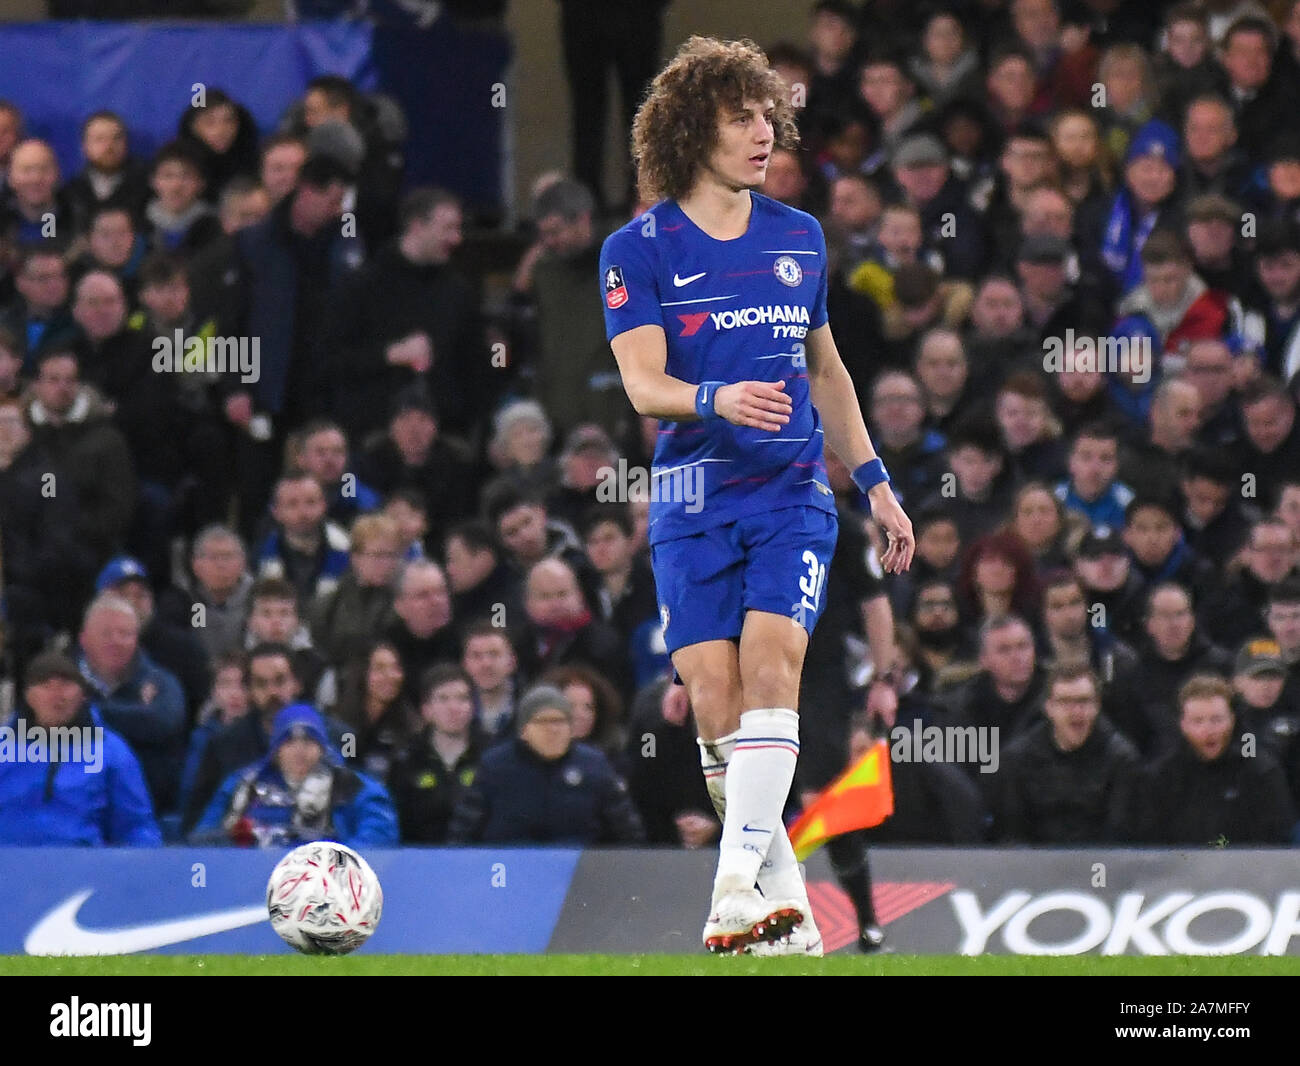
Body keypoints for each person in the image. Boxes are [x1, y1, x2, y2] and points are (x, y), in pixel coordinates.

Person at [601, 37, 913, 955]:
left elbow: (829, 374)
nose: (764, 133)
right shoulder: (639, 249)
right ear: (693, 130)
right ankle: (790, 912)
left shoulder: (799, 236)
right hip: (693, 497)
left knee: (776, 667)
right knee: (714, 703)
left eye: (769, 116)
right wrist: (715, 398)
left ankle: (732, 887)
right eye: (743, 117)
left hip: (790, 493)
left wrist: (879, 486)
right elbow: (641, 384)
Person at [446, 684, 645, 846]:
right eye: (544, 722)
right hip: (510, 869)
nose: (553, 730)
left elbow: (627, 831)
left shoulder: (594, 765)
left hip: (578, 873)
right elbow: (464, 830)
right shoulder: (495, 766)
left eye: (560, 722)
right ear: (524, 729)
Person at [0, 651, 161, 846]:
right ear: (29, 696)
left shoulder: (111, 752)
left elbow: (136, 827)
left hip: (83, 870)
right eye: (45, 686)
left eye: (66, 685)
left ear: (83, 695)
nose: (56, 695)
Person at [193, 703, 399, 848]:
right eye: (289, 742)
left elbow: (378, 836)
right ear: (276, 751)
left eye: (309, 741)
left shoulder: (352, 786)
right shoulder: (242, 785)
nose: (300, 751)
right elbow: (204, 837)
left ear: (322, 748)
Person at [1134, 674, 1295, 844]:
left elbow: (1276, 841)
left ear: (1231, 721)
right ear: (1183, 724)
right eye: (1198, 721)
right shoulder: (1162, 777)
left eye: (1216, 720)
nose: (1208, 730)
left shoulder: (1260, 772)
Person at [996, 662, 1140, 843]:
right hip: (1036, 865)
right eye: (1065, 702)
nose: (1076, 711)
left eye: (1084, 701)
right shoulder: (1017, 759)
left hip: (1100, 866)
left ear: (1097, 706)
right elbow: (1012, 833)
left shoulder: (1121, 759)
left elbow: (1119, 835)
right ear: (1049, 708)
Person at [388, 663, 485, 844]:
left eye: (462, 699)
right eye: (443, 699)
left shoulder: (490, 756)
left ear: (473, 707)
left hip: (478, 860)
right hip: (418, 861)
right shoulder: (406, 760)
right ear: (426, 710)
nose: (454, 707)